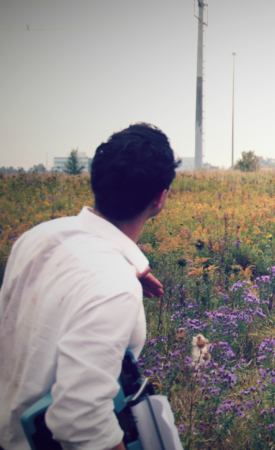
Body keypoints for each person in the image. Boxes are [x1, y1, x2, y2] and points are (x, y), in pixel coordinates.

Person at [0, 123, 179, 450]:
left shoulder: (36, 237)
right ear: (159, 198)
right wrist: (117, 280)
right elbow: (80, 420)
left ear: (96, 179)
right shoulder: (113, 285)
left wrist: (128, 268)